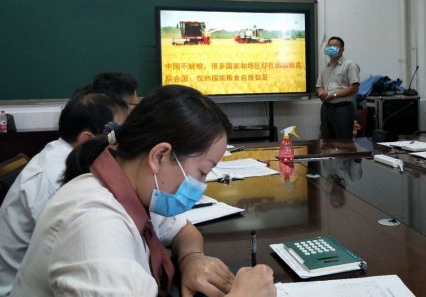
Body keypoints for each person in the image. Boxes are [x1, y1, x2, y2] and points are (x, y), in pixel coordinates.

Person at [10, 85, 276, 297]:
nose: (201, 184)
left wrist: (191, 258)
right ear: (159, 156)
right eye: (202, 171)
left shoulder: (137, 187)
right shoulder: (93, 221)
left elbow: (183, 230)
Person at [0, 90, 129, 296]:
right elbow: (79, 249)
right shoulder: (58, 180)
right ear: (86, 139)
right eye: (116, 137)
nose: (121, 145)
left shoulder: (60, 153)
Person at [316, 37, 360, 139]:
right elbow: (319, 86)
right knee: (327, 140)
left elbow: (354, 88)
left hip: (342, 109)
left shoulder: (350, 65)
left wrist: (334, 95)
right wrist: (321, 92)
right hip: (326, 108)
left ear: (342, 50)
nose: (331, 48)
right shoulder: (324, 68)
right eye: (329, 45)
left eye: (334, 46)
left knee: (343, 141)